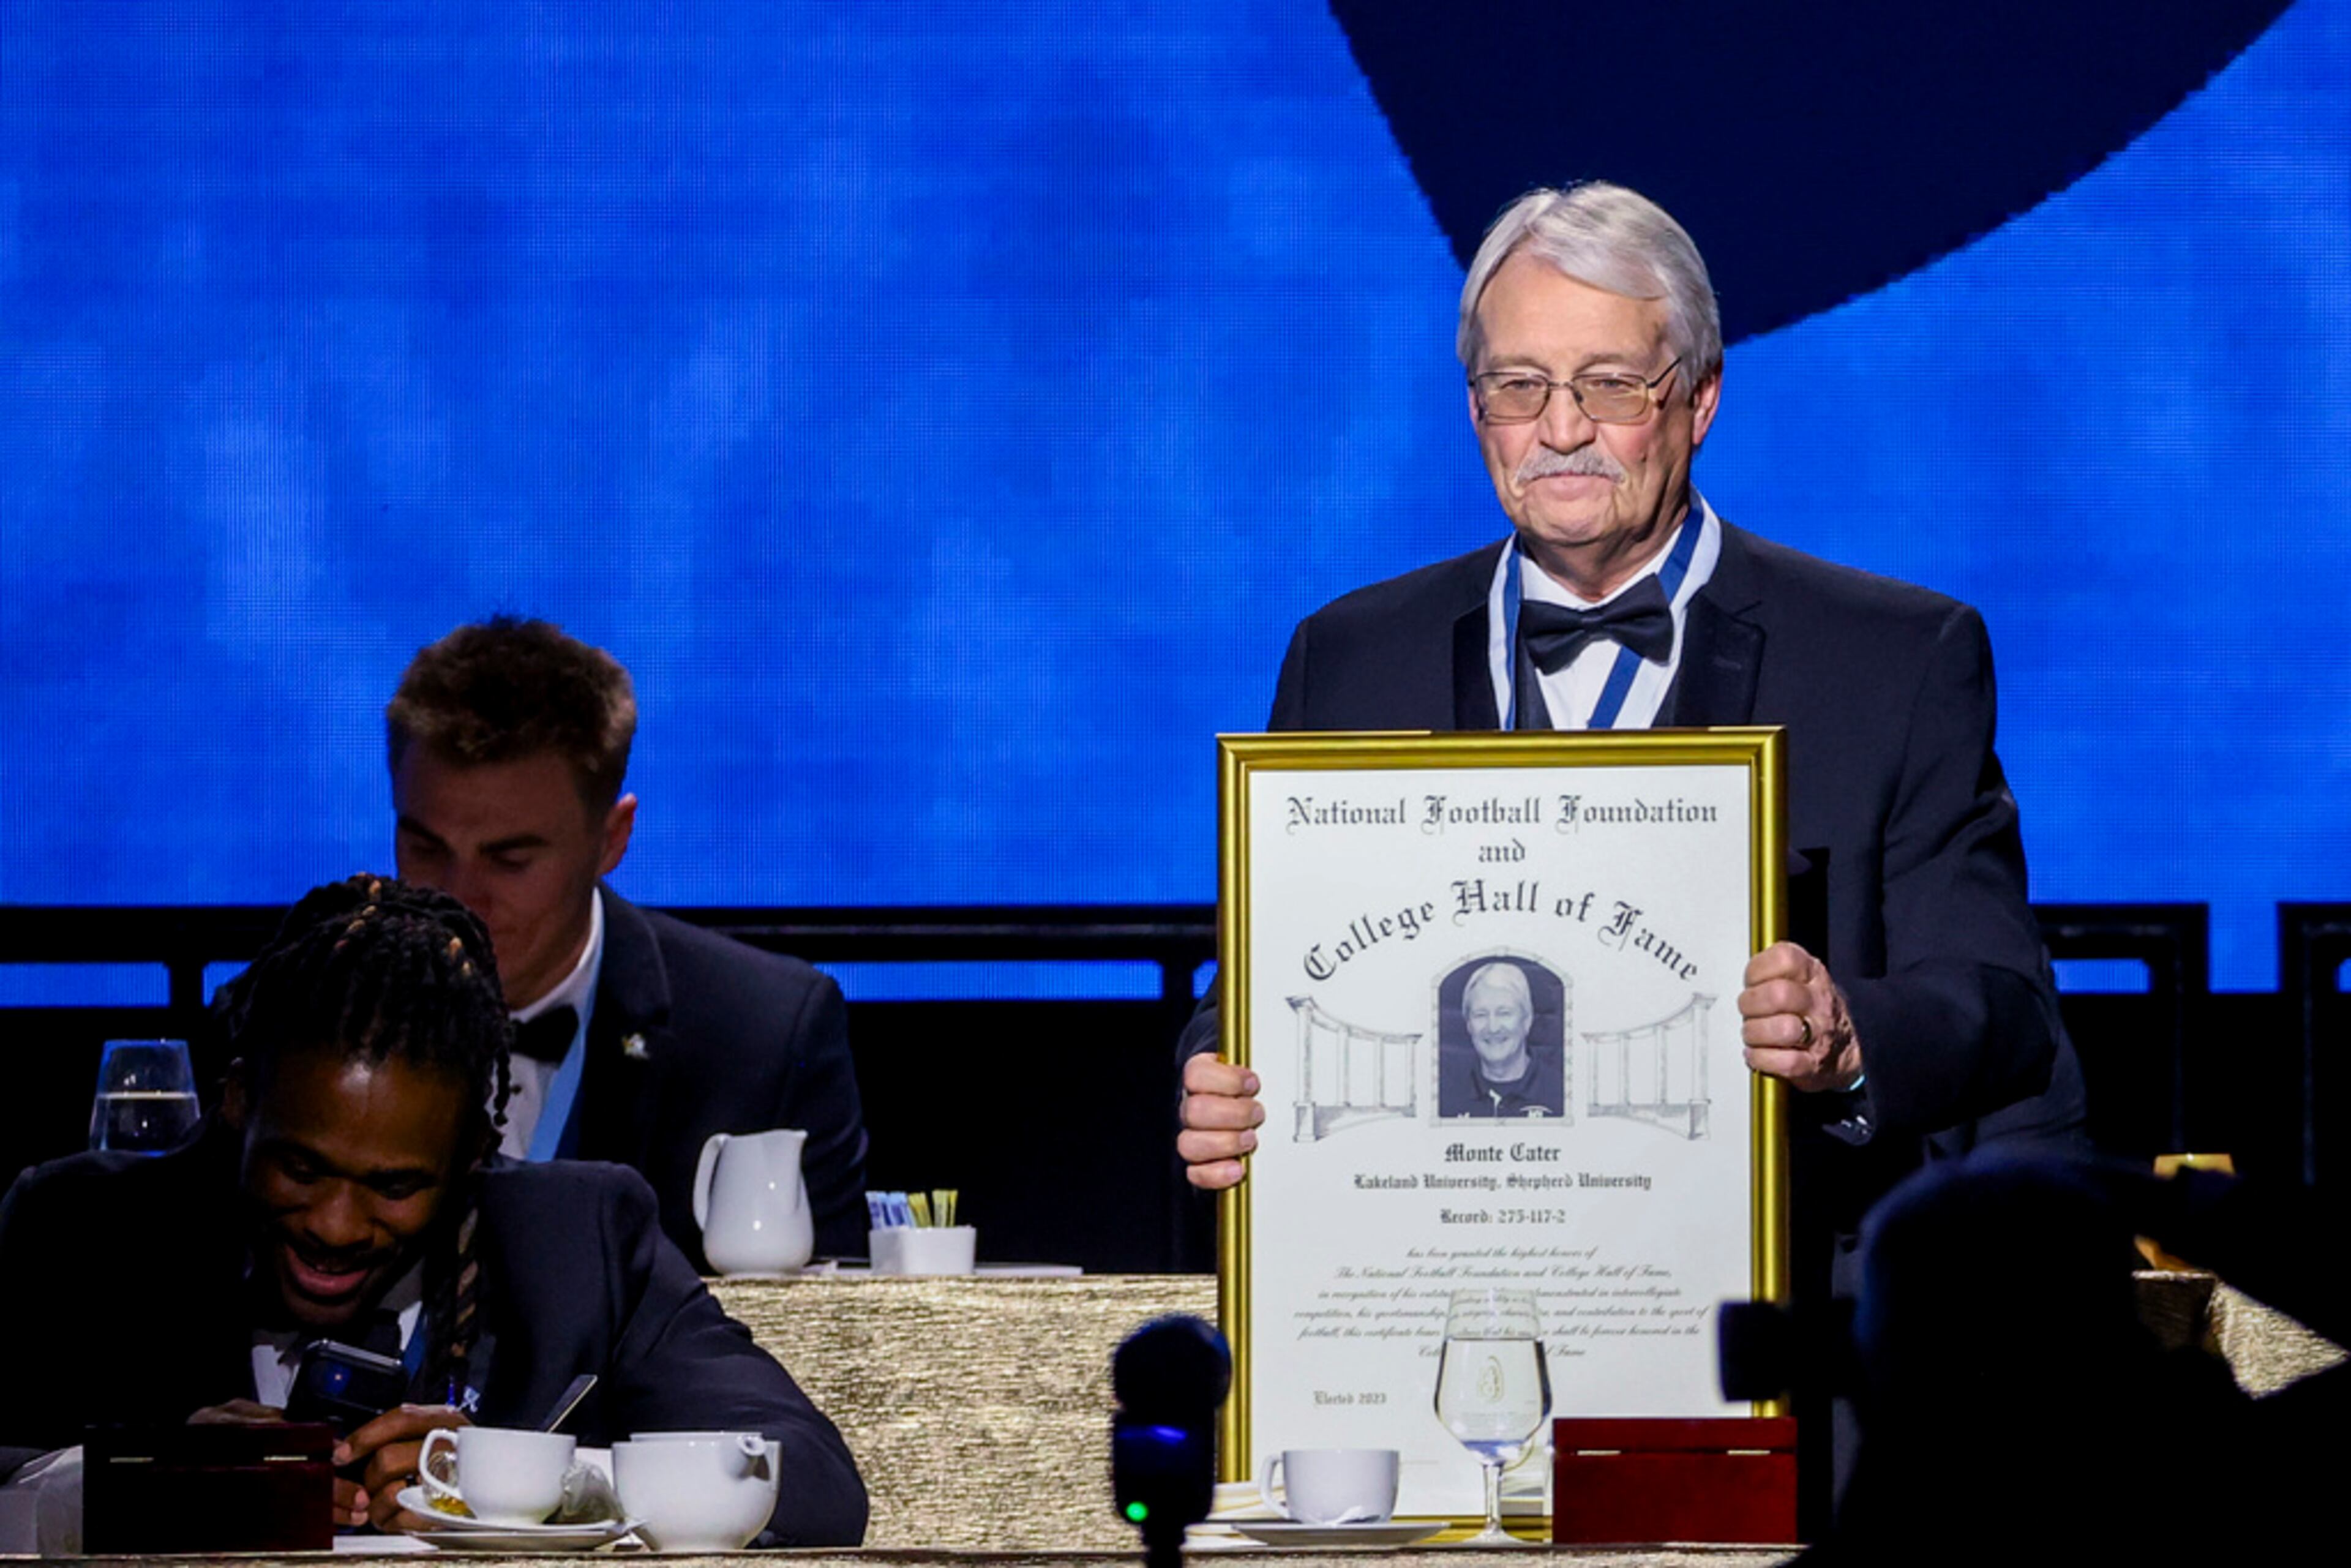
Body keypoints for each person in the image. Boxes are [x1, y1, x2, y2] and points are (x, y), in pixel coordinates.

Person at [1181, 180, 2082, 1202]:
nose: (1561, 430)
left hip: (1775, 1312)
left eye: (1610, 385)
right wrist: (1215, 1081)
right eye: (1518, 385)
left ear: (1699, 399)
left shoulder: (1896, 659)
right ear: (1476, 407)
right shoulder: (1348, 656)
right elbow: (1260, 993)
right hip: (1435, 1290)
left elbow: (2001, 1007)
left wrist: (1847, 1036)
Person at [0, 877, 867, 1548]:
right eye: (300, 1167)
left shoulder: (583, 1240)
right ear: (235, 1102)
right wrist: (131, 1485)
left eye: (395, 1186)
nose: (336, 1225)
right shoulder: (82, 1227)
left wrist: (511, 1482)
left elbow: (815, 1483)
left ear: (471, 1157)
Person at [386, 617, 868, 1264]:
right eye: (425, 847)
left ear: (612, 839)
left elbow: (824, 1341)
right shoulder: (297, 1020)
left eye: (510, 859)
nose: (458, 898)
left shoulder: (763, 1036)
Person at [1438, 961, 1564, 1119]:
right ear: (1469, 1025)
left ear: (1527, 1021)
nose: (1493, 1028)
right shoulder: (1443, 1099)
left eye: (1504, 1013)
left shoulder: (1563, 1094)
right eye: (1481, 1015)